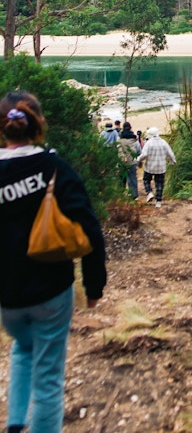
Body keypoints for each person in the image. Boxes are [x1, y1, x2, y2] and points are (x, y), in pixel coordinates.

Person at [0, 91, 107, 433]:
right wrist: (94, 284)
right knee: (48, 377)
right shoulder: (53, 168)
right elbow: (89, 227)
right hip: (51, 291)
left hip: (8, 298)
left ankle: (16, 423)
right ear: (39, 124)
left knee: (23, 348)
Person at [137, 127, 176, 207]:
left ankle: (149, 192)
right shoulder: (163, 142)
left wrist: (138, 159)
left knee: (146, 180)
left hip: (150, 167)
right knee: (159, 184)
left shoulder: (149, 143)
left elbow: (144, 154)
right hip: (161, 168)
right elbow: (170, 153)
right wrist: (173, 161)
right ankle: (158, 201)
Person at [118, 121, 141, 200]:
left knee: (122, 178)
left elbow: (118, 149)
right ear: (130, 128)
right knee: (133, 177)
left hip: (123, 162)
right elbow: (138, 150)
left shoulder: (120, 138)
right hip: (132, 161)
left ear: (123, 128)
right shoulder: (134, 139)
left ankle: (121, 194)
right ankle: (134, 196)